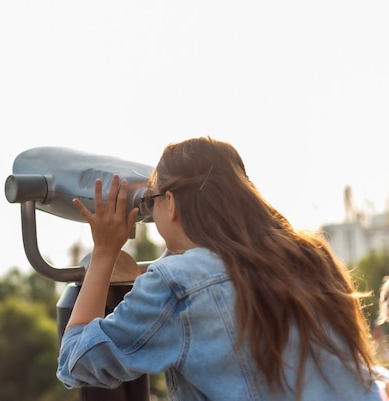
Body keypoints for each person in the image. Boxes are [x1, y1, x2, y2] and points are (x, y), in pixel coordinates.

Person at [56, 137, 383, 400]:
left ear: (170, 202)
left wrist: (104, 251)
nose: (149, 213)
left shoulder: (177, 284)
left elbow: (77, 361)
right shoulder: (310, 256)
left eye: (150, 201)